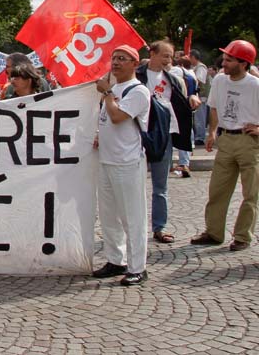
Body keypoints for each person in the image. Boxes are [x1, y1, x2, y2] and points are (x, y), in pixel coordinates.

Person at [191, 40, 259, 252]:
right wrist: (212, 132)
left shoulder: (255, 85)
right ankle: (213, 232)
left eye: (230, 59)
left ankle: (242, 236)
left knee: (251, 194)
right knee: (217, 190)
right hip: (226, 139)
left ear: (244, 63)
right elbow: (213, 108)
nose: (224, 62)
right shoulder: (220, 80)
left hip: (249, 142)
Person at [92, 44, 151, 286]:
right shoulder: (115, 88)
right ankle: (116, 259)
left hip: (127, 161)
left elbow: (117, 117)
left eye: (122, 59)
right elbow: (106, 119)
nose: (116, 63)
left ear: (134, 64)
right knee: (108, 216)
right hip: (107, 159)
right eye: (114, 58)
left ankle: (138, 266)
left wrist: (106, 94)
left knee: (131, 216)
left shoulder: (138, 91)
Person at [135, 40, 193, 244]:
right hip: (139, 133)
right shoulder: (137, 74)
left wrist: (191, 101)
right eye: (165, 55)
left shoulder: (174, 78)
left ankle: (159, 227)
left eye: (171, 56)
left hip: (164, 134)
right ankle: (134, 228)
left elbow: (182, 103)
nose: (169, 60)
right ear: (152, 53)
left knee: (161, 185)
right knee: (134, 184)